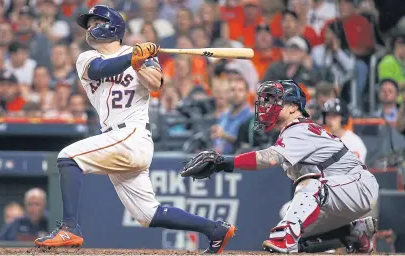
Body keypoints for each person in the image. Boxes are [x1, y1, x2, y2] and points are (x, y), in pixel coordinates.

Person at [34, 5, 236, 254]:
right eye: (89, 25)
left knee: (68, 157)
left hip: (132, 135)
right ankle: (215, 230)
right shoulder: (86, 58)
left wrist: (140, 63)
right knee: (147, 214)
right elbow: (100, 71)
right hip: (115, 138)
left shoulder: (139, 55)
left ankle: (70, 227)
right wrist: (133, 58)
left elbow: (155, 85)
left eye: (96, 23)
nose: (90, 28)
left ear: (114, 27)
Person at [181, 80, 379, 253]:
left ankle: (286, 240)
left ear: (293, 107)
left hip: (357, 185)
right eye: (267, 101)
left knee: (309, 187)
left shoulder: (299, 128)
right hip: (340, 193)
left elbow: (269, 158)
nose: (268, 106)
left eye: (275, 101)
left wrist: (224, 162)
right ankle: (354, 232)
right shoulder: (291, 132)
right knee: (289, 212)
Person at [322, 98, 367, 163]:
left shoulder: (354, 142)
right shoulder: (323, 140)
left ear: (343, 118)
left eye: (334, 116)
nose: (330, 120)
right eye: (328, 115)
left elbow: (353, 171)